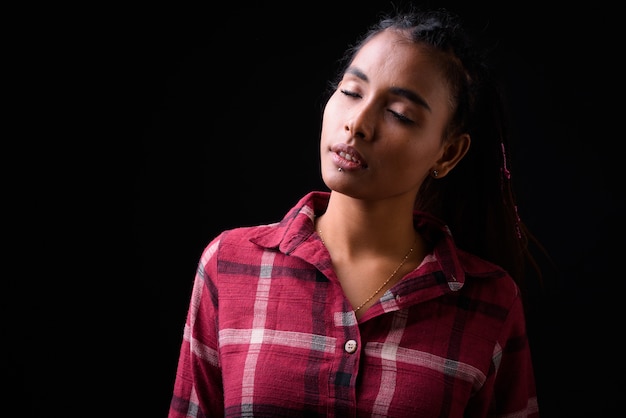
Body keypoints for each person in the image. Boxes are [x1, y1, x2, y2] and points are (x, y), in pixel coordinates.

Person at [168, 5, 548, 417]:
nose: (358, 123)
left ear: (449, 153)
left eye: (399, 114)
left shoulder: (490, 301)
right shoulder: (230, 264)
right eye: (351, 91)